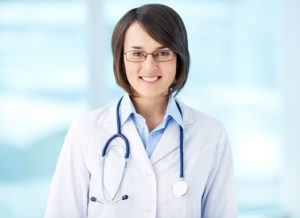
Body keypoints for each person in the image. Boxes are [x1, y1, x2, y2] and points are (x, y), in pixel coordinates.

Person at [45, 3, 237, 218]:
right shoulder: (86, 130)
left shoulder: (211, 134)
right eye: (137, 53)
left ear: (179, 57)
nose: (149, 66)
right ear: (121, 59)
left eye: (162, 53)